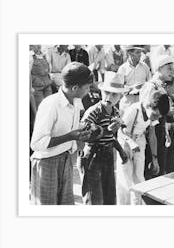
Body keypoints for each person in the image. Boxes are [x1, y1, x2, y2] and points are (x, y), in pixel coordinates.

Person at [30, 62, 93, 205]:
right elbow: (37, 143)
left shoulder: (76, 102)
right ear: (75, 88)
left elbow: (72, 128)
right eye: (87, 87)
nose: (89, 91)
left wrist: (85, 130)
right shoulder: (51, 104)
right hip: (46, 163)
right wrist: (70, 136)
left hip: (65, 159)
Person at [78, 71, 127, 205]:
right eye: (106, 92)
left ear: (120, 96)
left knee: (109, 195)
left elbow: (111, 137)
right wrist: (106, 130)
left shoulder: (115, 112)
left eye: (114, 94)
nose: (109, 97)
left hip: (107, 155)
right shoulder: (94, 111)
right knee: (94, 198)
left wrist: (121, 151)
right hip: (93, 156)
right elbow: (84, 133)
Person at [116, 91, 170, 205]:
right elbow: (120, 131)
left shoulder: (153, 114)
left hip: (139, 141)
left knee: (139, 179)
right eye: (155, 115)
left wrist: (155, 159)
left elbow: (152, 136)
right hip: (125, 143)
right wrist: (131, 143)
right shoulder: (134, 110)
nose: (156, 118)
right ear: (149, 106)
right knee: (125, 181)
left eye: (158, 116)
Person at [140, 55, 174, 176]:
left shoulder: (161, 86)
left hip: (160, 131)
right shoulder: (151, 86)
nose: (172, 71)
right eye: (169, 68)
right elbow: (147, 113)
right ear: (159, 68)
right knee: (152, 170)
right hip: (151, 133)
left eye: (173, 68)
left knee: (163, 167)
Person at [117, 45, 151, 117]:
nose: (140, 55)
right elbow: (118, 89)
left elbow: (150, 84)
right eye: (137, 52)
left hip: (142, 101)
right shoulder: (122, 69)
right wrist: (132, 88)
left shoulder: (145, 67)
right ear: (130, 53)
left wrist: (143, 87)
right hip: (127, 102)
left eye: (140, 52)